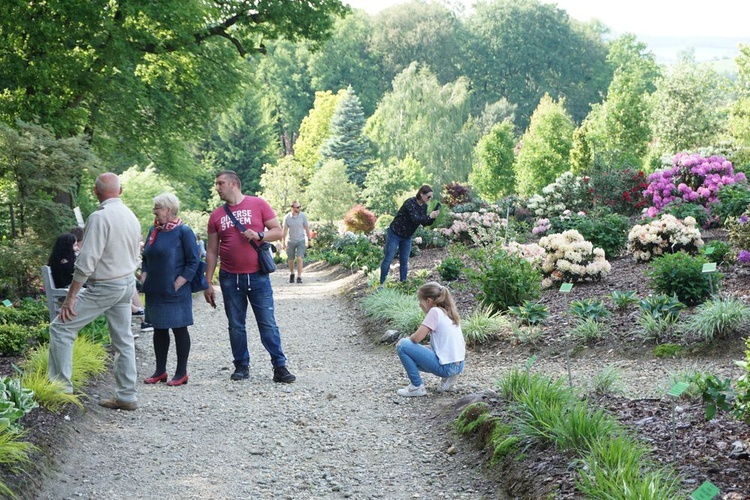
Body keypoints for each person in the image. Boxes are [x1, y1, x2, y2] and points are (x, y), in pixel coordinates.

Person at [48, 173, 142, 411]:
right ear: (120, 191)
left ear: (95, 191)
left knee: (60, 327)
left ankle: (61, 390)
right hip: (126, 285)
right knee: (124, 341)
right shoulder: (130, 215)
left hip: (106, 286)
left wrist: (70, 297)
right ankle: (127, 395)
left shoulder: (100, 217)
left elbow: (86, 261)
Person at [204, 170, 296, 383]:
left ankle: (279, 366)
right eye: (216, 184)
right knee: (236, 324)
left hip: (258, 276)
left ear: (233, 184)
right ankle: (241, 365)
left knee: (267, 323)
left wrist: (259, 235)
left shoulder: (258, 204)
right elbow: (211, 251)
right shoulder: (216, 215)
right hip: (229, 278)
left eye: (220, 183)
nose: (217, 188)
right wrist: (207, 282)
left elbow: (278, 231)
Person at [140, 192, 200, 387]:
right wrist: (144, 274)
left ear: (169, 210)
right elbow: (146, 257)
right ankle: (160, 370)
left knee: (179, 329)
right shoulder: (154, 231)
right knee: (159, 329)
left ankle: (181, 372)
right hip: (155, 288)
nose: (154, 211)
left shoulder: (184, 231)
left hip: (176, 290)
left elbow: (193, 261)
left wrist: (178, 283)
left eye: (157, 207)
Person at [395, 281, 465, 397]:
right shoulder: (449, 312)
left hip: (446, 368)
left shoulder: (434, 311)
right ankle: (447, 380)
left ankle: (416, 386)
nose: (419, 304)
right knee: (424, 348)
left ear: (428, 301)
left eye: (420, 301)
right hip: (459, 364)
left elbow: (416, 338)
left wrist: (408, 339)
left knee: (402, 345)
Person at [379, 185, 440, 286]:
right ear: (421, 194)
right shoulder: (410, 203)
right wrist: (429, 216)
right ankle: (382, 284)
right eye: (428, 197)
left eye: (431, 197)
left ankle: (403, 284)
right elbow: (415, 219)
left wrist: (433, 217)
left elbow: (424, 223)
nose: (429, 199)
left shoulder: (424, 206)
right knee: (388, 258)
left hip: (406, 236)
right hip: (395, 233)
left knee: (404, 261)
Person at [281, 201, 312, 284]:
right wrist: (283, 242)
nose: (299, 208)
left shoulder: (303, 216)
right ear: (292, 208)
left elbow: (306, 228)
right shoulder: (287, 217)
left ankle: (299, 276)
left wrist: (309, 240)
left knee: (299, 258)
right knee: (290, 260)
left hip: (301, 240)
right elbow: (284, 231)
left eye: (299, 207)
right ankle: (292, 273)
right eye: (297, 207)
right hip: (290, 241)